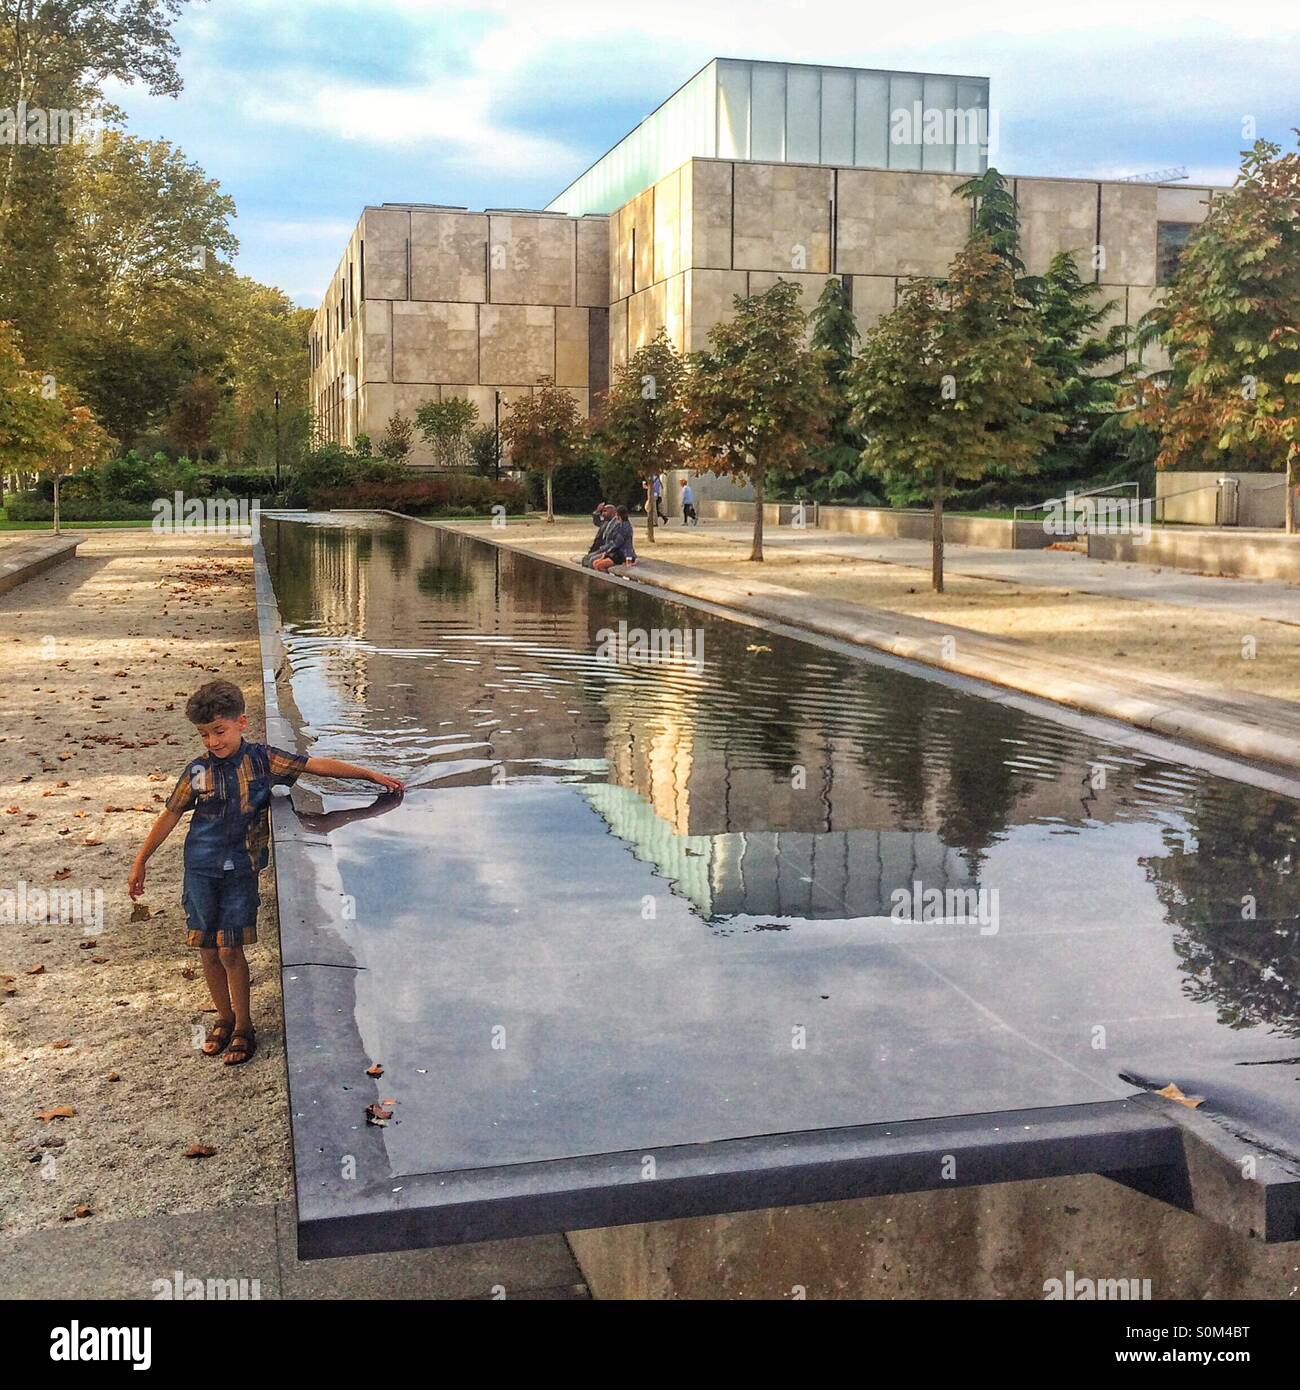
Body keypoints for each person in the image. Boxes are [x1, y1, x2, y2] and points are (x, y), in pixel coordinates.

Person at [127, 679, 404, 1067]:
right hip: (200, 870)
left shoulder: (263, 761)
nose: (212, 742)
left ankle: (243, 1025)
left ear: (241, 723)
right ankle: (222, 1018)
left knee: (230, 948)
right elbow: (171, 813)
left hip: (241, 870)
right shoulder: (197, 772)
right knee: (207, 947)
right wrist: (142, 859)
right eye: (204, 735)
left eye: (219, 732)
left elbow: (315, 766)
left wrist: (370, 776)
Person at [592, 504, 636, 572]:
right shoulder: (620, 524)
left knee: (599, 565)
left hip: (622, 556)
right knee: (595, 563)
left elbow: (619, 544)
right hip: (616, 553)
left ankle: (606, 581)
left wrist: (606, 552)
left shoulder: (625, 527)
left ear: (618, 515)